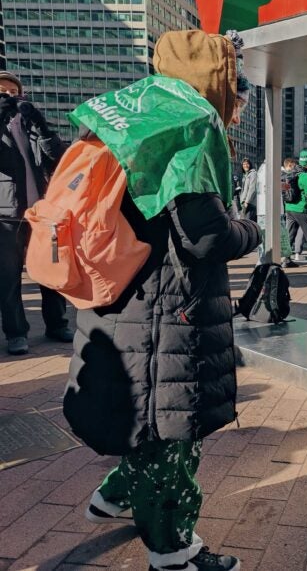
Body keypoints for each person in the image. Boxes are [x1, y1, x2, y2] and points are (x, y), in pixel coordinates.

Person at [63, 30, 262, 571]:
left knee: (146, 420)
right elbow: (205, 237)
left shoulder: (127, 114)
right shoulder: (188, 126)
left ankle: (115, 496)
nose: (237, 110)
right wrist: (250, 232)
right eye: (236, 95)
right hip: (164, 308)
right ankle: (173, 552)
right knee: (170, 431)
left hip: (118, 293)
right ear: (215, 82)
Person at [0, 70, 72, 355]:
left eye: (11, 92)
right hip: (6, 212)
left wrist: (41, 126)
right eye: (1, 91)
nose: (7, 96)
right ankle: (17, 332)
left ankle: (57, 323)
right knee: (8, 277)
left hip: (42, 209)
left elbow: (57, 157)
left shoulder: (28, 118)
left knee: (50, 270)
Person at [284, 151, 307, 266]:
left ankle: (286, 260)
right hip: (301, 209)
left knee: (289, 235)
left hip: (289, 208)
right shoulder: (305, 176)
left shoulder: (291, 173)